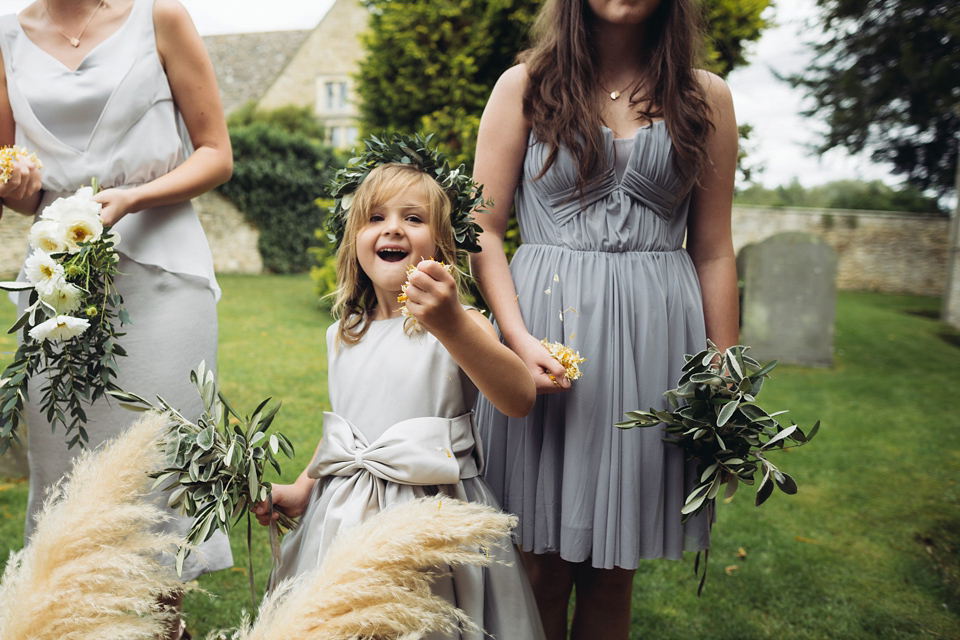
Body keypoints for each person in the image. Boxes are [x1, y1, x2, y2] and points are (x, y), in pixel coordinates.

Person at [470, 0, 741, 638]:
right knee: (538, 563)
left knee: (614, 568)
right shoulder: (524, 87)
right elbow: (480, 225)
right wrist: (515, 339)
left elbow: (714, 248)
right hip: (545, 334)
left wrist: (726, 374)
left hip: (656, 344)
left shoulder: (707, 98)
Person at [0, 0, 233, 636]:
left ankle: (165, 626)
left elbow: (216, 153)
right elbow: (5, 167)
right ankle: (68, 619)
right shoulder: (3, 35)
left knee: (159, 463)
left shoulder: (160, 16)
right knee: (67, 471)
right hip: (58, 279)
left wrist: (134, 196)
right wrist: (16, 190)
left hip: (163, 271)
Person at [253, 154, 545, 640]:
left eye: (413, 218)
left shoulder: (459, 323)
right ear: (354, 241)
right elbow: (346, 437)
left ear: (442, 242)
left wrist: (451, 324)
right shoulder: (343, 333)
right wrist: (304, 488)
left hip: (429, 515)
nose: (393, 230)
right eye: (375, 218)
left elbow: (518, 398)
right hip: (344, 515)